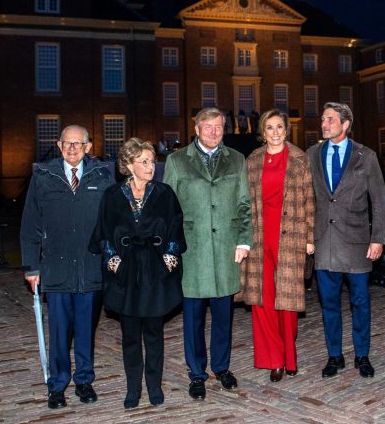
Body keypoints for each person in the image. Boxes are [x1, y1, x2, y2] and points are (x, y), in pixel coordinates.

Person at [20, 124, 113, 409]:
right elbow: (30, 225)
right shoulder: (43, 177)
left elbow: (111, 224)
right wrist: (31, 267)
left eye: (78, 144)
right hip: (57, 270)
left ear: (88, 147)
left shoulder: (102, 176)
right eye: (67, 143)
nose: (72, 149)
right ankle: (57, 385)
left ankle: (84, 381)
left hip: (90, 270)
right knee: (60, 332)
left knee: (86, 330)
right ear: (59, 146)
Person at [163, 107, 252, 400]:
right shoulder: (177, 161)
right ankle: (197, 373)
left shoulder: (236, 160)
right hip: (193, 251)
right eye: (208, 126)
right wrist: (170, 248)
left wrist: (244, 241)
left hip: (226, 249)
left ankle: (222, 367)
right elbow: (167, 210)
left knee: (224, 316)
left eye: (219, 126)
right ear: (197, 127)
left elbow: (244, 204)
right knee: (193, 318)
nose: (214, 132)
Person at [89, 138, 186, 409]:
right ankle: (133, 389)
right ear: (128, 164)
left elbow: (176, 228)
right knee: (130, 335)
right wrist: (113, 261)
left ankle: (154, 386)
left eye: (151, 161)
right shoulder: (112, 195)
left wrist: (169, 257)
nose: (150, 166)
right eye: (143, 161)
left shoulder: (164, 193)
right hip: (127, 273)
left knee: (154, 333)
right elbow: (104, 232)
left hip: (155, 270)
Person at [306, 103, 385, 379]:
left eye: (330, 119)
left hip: (357, 243)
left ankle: (362, 355)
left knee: (360, 303)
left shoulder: (366, 156)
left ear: (345, 124)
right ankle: (335, 356)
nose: (324, 124)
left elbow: (378, 200)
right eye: (323, 119)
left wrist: (378, 238)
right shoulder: (312, 155)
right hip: (324, 243)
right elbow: (307, 201)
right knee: (329, 304)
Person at [242, 109, 315, 382]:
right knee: (264, 301)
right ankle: (273, 360)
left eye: (280, 127)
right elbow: (244, 202)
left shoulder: (299, 159)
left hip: (291, 236)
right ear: (263, 131)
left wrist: (309, 238)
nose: (275, 132)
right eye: (270, 128)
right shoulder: (253, 160)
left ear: (286, 130)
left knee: (287, 302)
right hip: (260, 237)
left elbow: (310, 200)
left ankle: (289, 355)